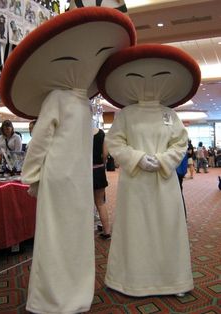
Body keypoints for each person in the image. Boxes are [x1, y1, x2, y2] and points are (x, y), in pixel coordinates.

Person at [0, 6, 136, 314]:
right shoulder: (80, 104)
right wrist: (35, 175)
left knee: (56, 237)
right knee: (74, 236)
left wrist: (31, 176)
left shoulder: (60, 99)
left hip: (60, 179)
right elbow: (54, 140)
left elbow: (41, 140)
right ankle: (73, 293)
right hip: (76, 179)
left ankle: (54, 298)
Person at [97, 43, 201, 297]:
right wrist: (137, 158)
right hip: (136, 182)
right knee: (135, 229)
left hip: (164, 182)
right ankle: (128, 280)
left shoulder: (170, 115)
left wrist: (164, 159)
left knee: (168, 227)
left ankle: (174, 280)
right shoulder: (126, 114)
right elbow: (114, 142)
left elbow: (180, 142)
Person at [93, 126, 111, 239]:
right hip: (99, 170)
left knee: (84, 204)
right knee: (100, 203)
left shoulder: (78, 131)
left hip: (83, 172)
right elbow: (105, 154)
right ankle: (107, 231)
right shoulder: (100, 132)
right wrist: (102, 164)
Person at [176, 153, 188, 219]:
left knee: (178, 194)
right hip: (179, 173)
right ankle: (183, 216)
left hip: (176, 173)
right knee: (179, 194)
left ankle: (182, 216)